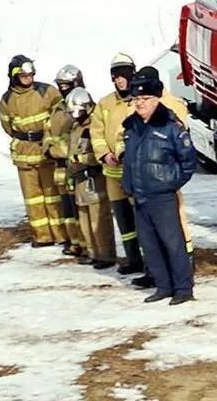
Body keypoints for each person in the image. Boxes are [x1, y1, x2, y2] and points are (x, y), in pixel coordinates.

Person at [122, 70, 198, 305]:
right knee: (150, 245)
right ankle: (163, 286)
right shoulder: (132, 126)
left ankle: (183, 289)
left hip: (162, 196)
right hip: (139, 194)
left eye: (144, 100)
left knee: (172, 243)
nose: (139, 104)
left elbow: (188, 160)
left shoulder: (170, 125)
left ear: (156, 100)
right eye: (136, 100)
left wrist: (170, 182)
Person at [0, 54, 66, 248]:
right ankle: (42, 236)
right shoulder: (7, 100)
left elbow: (60, 114)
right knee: (33, 198)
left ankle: (61, 235)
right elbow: (7, 125)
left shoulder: (47, 91)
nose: (29, 78)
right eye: (25, 75)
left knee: (52, 194)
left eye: (31, 74)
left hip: (45, 150)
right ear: (14, 76)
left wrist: (50, 137)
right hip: (24, 154)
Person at [93, 53, 147, 278]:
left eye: (124, 76)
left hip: (135, 172)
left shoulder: (140, 99)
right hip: (113, 173)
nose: (120, 81)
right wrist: (104, 154)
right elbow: (96, 132)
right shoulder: (105, 104)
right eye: (116, 77)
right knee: (123, 218)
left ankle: (149, 261)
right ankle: (133, 259)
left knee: (141, 216)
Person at [64, 86, 118, 269]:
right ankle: (93, 253)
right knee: (85, 221)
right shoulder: (76, 128)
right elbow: (72, 153)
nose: (74, 115)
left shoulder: (93, 127)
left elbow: (99, 154)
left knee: (99, 221)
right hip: (80, 180)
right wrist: (70, 174)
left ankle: (105, 255)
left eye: (77, 111)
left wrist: (82, 159)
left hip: (94, 180)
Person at [45, 65, 88, 260]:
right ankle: (74, 242)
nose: (63, 89)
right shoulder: (57, 110)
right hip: (60, 168)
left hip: (76, 167)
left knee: (81, 209)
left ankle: (86, 245)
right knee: (67, 208)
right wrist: (49, 149)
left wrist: (60, 150)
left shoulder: (82, 106)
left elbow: (78, 139)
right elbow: (48, 132)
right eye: (60, 85)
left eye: (66, 85)